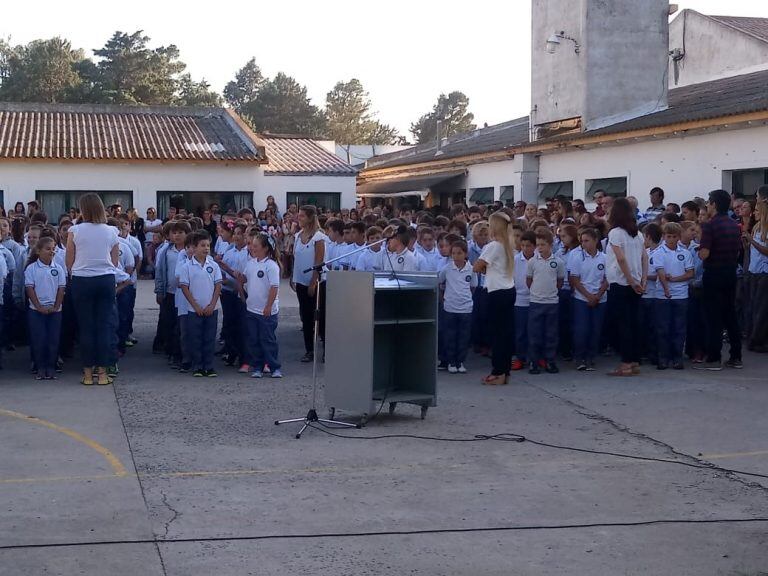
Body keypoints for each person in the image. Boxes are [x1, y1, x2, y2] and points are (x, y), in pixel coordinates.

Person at [65, 193, 120, 386]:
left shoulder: (74, 230)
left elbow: (69, 260)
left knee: (86, 327)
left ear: (83, 210)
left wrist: (76, 272)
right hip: (105, 278)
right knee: (104, 326)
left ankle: (88, 374)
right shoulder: (112, 231)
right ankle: (103, 373)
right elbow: (115, 259)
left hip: (82, 279)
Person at [695, 189, 743, 370]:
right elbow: (738, 250)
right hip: (730, 272)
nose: (707, 204)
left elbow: (705, 253)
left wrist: (699, 251)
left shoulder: (709, 225)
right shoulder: (733, 224)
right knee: (730, 314)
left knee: (713, 317)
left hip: (714, 273)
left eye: (709, 202)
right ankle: (736, 356)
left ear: (714, 204)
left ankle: (714, 358)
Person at [605, 197, 648, 377]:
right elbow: (644, 258)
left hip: (621, 283)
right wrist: (642, 280)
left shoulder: (616, 233)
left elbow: (620, 258)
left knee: (620, 325)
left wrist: (631, 280)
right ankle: (635, 360)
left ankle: (626, 362)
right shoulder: (637, 234)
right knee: (633, 323)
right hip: (635, 283)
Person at [473, 211, 516, 385]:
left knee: (497, 335)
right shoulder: (508, 245)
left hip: (496, 292)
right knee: (505, 333)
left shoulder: (493, 246)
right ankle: (505, 371)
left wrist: (484, 268)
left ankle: (497, 371)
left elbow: (477, 266)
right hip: (508, 290)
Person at [179, 230, 222, 377]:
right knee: (195, 338)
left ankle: (208, 366)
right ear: (194, 247)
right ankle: (197, 366)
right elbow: (184, 287)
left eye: (208, 246)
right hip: (194, 309)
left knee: (209, 338)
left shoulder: (214, 266)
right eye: (202, 245)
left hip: (211, 308)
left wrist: (212, 304)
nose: (206, 248)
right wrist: (196, 305)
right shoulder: (187, 266)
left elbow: (218, 286)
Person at [652, 223, 694, 370]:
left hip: (681, 295)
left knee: (679, 328)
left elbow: (690, 273)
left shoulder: (685, 253)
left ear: (679, 237)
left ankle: (677, 357)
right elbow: (661, 272)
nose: (671, 239)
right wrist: (666, 289)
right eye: (668, 236)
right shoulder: (658, 253)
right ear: (664, 237)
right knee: (663, 327)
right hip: (662, 296)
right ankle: (663, 357)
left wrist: (675, 280)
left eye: (674, 236)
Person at [25, 237, 66, 379]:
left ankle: (51, 366)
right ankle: (40, 367)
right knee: (39, 339)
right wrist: (38, 307)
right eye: (48, 249)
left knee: (53, 340)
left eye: (53, 248)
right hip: (36, 311)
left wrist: (56, 306)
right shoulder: (31, 269)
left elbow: (61, 289)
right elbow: (30, 289)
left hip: (55, 311)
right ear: (38, 251)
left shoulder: (58, 268)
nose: (52, 251)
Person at [243, 232, 282, 379]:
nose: (252, 248)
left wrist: (268, 306)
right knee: (254, 339)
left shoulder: (271, 266)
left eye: (255, 246)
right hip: (252, 309)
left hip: (267, 311)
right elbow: (246, 279)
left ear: (265, 248)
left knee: (268, 340)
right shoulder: (251, 263)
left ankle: (274, 367)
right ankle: (257, 366)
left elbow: (274, 287)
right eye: (252, 245)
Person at [526, 228, 564, 374]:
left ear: (550, 244)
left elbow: (559, 281)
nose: (540, 248)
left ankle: (550, 361)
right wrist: (537, 293)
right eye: (538, 245)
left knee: (551, 333)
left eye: (543, 244)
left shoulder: (558, 262)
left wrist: (552, 292)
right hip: (536, 302)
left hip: (552, 302)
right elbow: (529, 280)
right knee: (534, 333)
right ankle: (534, 362)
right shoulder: (532, 262)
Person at [570, 228, 608, 371]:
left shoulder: (604, 258)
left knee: (595, 329)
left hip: (600, 299)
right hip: (582, 298)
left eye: (587, 240)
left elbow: (607, 278)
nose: (584, 244)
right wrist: (588, 296)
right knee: (582, 329)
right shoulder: (577, 257)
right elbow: (575, 279)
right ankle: (580, 357)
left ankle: (591, 357)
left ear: (595, 240)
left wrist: (597, 295)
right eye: (582, 241)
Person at [291, 205, 325, 363]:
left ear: (311, 218)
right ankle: (309, 350)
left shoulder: (319, 237)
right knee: (305, 316)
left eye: (302, 216)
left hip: (316, 283)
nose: (299, 219)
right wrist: (293, 276)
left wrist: (313, 282)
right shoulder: (298, 235)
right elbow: (296, 258)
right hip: (300, 282)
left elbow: (319, 261)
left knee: (320, 316)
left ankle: (325, 349)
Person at [438, 239, 477, 374]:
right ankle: (451, 361)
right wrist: (443, 298)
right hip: (450, 307)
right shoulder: (447, 268)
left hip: (466, 308)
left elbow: (473, 286)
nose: (456, 256)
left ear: (465, 254)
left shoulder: (471, 269)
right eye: (453, 253)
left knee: (463, 336)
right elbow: (440, 283)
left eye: (459, 253)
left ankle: (460, 361)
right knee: (450, 336)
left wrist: (466, 298)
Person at [745, 186, 768, 352]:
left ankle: (759, 340)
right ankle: (754, 337)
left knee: (761, 309)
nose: (754, 212)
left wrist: (752, 242)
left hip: (764, 274)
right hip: (754, 272)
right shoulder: (757, 226)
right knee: (753, 307)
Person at [511, 230, 536, 371]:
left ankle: (535, 358)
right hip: (519, 300)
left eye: (529, 246)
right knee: (520, 331)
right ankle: (520, 358)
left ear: (534, 246)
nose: (526, 248)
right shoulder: (515, 260)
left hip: (536, 299)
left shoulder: (539, 259)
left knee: (534, 331)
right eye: (523, 245)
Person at [639, 223, 662, 366]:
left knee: (655, 326)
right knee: (643, 326)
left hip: (655, 295)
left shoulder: (660, 252)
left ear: (648, 236)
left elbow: (660, 273)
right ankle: (643, 352)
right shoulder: (645, 252)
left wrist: (646, 275)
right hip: (644, 294)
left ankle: (654, 353)